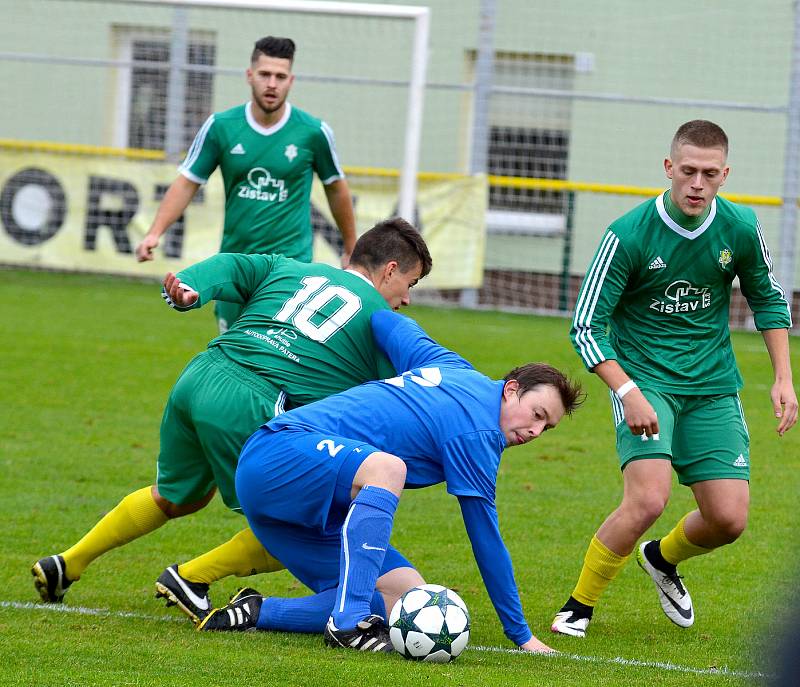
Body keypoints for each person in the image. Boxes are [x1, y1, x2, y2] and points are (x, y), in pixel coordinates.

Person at [32, 218, 432, 618]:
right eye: (410, 284)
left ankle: (68, 563)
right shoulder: (383, 322)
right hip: (254, 400)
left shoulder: (292, 268)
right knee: (295, 519)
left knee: (177, 495)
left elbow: (230, 266)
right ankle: (191, 577)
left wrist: (191, 289)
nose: (407, 299)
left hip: (200, 375)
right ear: (390, 270)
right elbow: (396, 397)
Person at [196, 310, 584, 654]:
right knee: (388, 468)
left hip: (300, 510)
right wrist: (520, 634)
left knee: (404, 596)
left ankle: (258, 611)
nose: (535, 430)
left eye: (545, 427)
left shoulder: (453, 367)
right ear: (512, 389)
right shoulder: (478, 434)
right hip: (278, 454)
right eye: (536, 414)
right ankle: (348, 625)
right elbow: (486, 538)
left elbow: (387, 322)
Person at [551, 120, 798, 638]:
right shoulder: (628, 235)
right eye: (688, 171)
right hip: (645, 382)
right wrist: (626, 390)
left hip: (712, 387)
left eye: (710, 174)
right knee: (648, 498)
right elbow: (586, 325)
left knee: (729, 520)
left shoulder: (740, 227)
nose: (697, 183)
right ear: (669, 168)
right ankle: (579, 604)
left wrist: (783, 378)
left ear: (725, 174)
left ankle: (661, 559)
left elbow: (770, 301)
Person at [135, 36, 356, 333]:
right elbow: (188, 182)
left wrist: (351, 246)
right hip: (236, 264)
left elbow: (336, 187)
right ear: (250, 75)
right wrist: (154, 232)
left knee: (279, 354)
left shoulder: (313, 132)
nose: (272, 84)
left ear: (291, 80)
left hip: (290, 266)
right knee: (232, 351)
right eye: (265, 74)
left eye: (280, 76)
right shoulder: (221, 126)